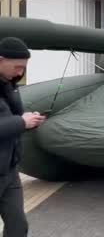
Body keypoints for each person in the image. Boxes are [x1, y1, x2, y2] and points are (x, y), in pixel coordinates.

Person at [0, 37, 45, 237]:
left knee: (18, 226)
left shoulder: (9, 84)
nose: (21, 72)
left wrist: (28, 121)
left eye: (24, 68)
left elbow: (12, 119)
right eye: (18, 67)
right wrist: (21, 122)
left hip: (9, 170)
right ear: (1, 59)